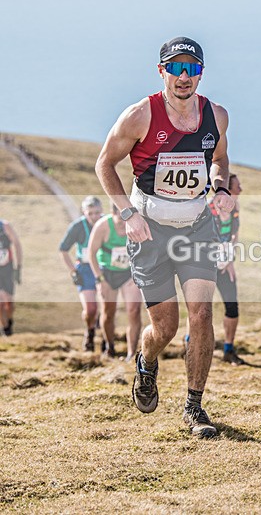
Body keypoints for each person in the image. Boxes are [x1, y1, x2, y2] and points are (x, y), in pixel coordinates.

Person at [95, 36, 234, 438]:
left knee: (203, 315)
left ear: (201, 73)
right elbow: (105, 164)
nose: (184, 76)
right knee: (165, 328)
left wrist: (221, 188)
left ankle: (194, 407)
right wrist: (126, 214)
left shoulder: (217, 116)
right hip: (149, 231)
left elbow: (220, 161)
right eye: (175, 68)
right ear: (162, 72)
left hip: (196, 228)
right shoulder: (140, 116)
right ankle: (147, 360)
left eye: (192, 68)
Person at [185, 172, 245, 365]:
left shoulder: (235, 209)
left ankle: (229, 350)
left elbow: (234, 236)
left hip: (224, 266)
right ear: (226, 190)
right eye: (237, 186)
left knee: (232, 307)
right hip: (203, 267)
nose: (241, 190)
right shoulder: (206, 209)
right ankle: (189, 346)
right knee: (199, 309)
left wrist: (229, 261)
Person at [87, 204, 143, 361]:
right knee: (108, 312)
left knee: (134, 310)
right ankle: (110, 347)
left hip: (129, 272)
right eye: (119, 221)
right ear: (113, 214)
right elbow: (91, 253)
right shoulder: (103, 226)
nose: (123, 225)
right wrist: (100, 279)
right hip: (107, 273)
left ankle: (131, 354)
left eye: (126, 221)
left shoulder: (135, 223)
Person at [59, 196, 103, 351]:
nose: (93, 217)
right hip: (84, 270)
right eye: (90, 213)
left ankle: (105, 341)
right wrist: (73, 272)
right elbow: (63, 249)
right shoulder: (77, 227)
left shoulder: (106, 223)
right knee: (91, 309)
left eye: (97, 213)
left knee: (107, 308)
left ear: (101, 211)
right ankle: (90, 332)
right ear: (84, 213)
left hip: (104, 268)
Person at [0, 219, 22, 336]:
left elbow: (17, 244)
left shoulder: (5, 226)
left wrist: (18, 267)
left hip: (7, 269)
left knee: (8, 301)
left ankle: (9, 320)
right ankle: (5, 329)